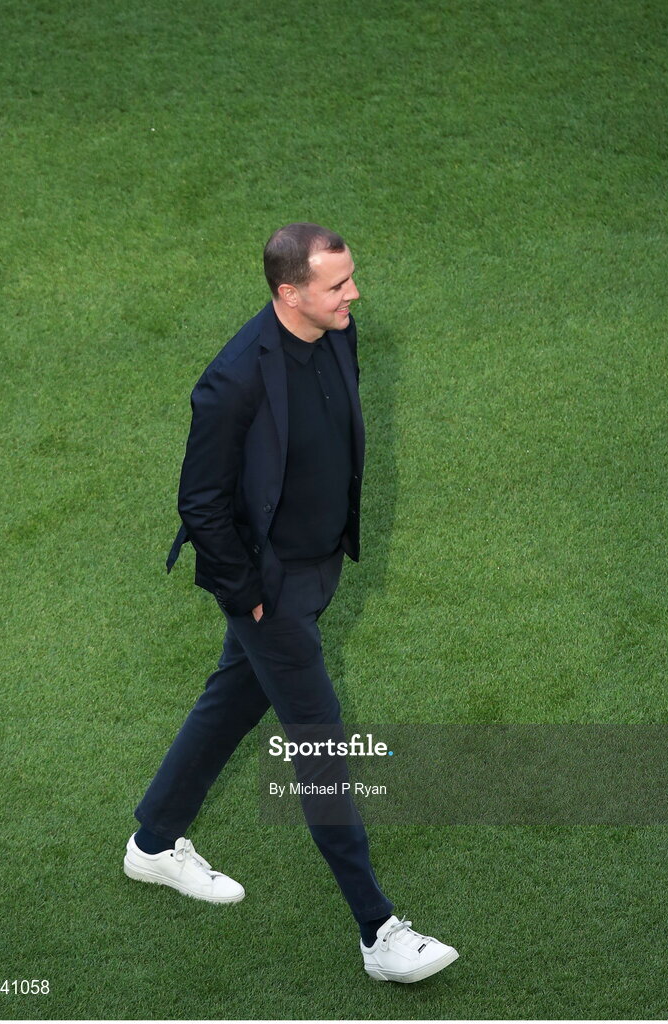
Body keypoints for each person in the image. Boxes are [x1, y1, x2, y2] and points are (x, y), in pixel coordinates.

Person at [123, 223, 459, 983]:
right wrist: (248, 596)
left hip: (317, 566)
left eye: (351, 279)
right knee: (320, 743)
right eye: (338, 284)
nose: (354, 294)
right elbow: (200, 501)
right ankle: (380, 933)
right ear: (289, 292)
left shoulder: (337, 333)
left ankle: (152, 844)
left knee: (231, 701)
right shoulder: (234, 377)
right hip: (267, 587)